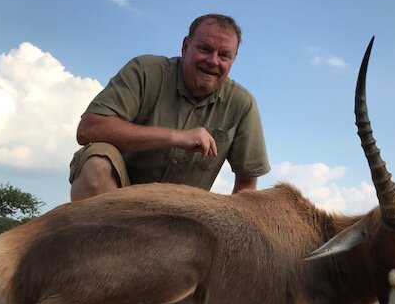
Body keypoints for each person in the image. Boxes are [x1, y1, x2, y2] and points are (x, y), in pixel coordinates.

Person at [69, 13, 270, 201]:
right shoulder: (144, 71)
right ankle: (98, 237)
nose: (213, 61)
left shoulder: (243, 104)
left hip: (181, 217)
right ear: (185, 46)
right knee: (96, 165)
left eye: (224, 55)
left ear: (233, 60)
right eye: (205, 49)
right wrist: (176, 137)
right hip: (118, 197)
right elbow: (89, 129)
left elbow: (247, 182)